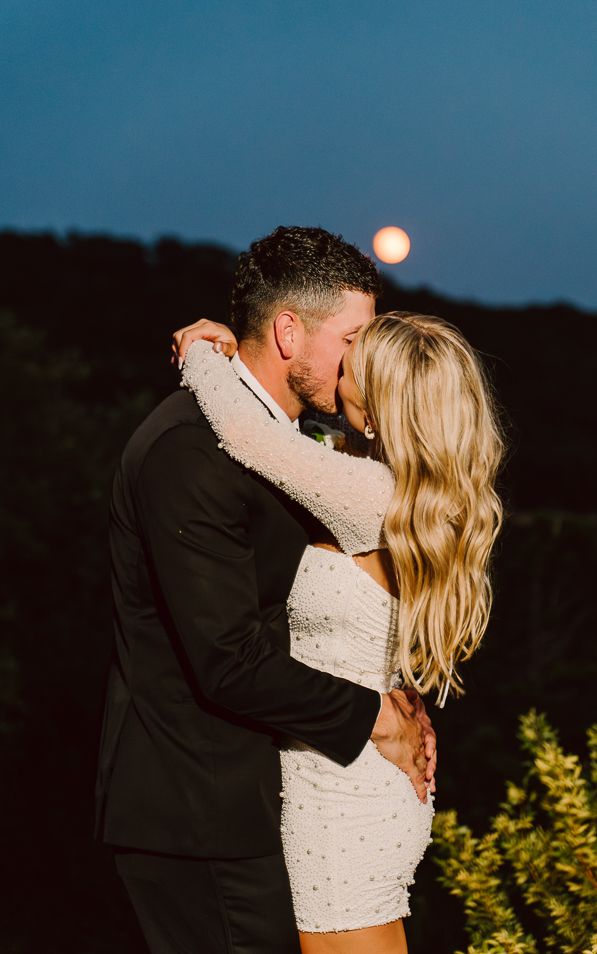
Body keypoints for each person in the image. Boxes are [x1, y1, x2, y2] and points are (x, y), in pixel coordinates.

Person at [95, 227, 436, 954]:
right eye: (353, 339)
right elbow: (226, 659)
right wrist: (374, 716)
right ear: (288, 332)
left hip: (258, 802)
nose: (363, 361)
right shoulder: (191, 450)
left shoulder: (293, 446)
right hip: (200, 810)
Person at [178, 307, 504, 953]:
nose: (337, 371)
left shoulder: (367, 493)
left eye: (352, 365)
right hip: (359, 771)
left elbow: (245, 433)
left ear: (378, 408)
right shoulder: (422, 497)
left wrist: (201, 356)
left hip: (341, 793)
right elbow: (312, 447)